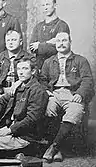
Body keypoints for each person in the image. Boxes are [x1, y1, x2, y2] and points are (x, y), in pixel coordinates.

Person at [40, 32, 94, 163]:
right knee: (48, 109)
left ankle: (54, 147)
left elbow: (88, 80)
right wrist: (47, 91)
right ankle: (57, 149)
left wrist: (80, 93)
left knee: (75, 112)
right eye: (58, 41)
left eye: (64, 40)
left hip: (73, 93)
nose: (61, 43)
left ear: (70, 42)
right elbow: (42, 80)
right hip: (55, 93)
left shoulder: (80, 60)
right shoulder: (49, 62)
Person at [0, 30, 34, 129]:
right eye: (8, 40)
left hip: (19, 93)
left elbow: (35, 77)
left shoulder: (28, 58)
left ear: (21, 42)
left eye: (14, 40)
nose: (11, 42)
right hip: (0, 91)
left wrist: (21, 82)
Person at [29, 0, 70, 70]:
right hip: (40, 67)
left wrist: (40, 45)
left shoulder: (62, 25)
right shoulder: (38, 26)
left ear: (55, 5)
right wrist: (50, 42)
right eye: (43, 5)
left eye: (48, 4)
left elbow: (59, 47)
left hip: (56, 67)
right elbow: (32, 47)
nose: (45, 7)